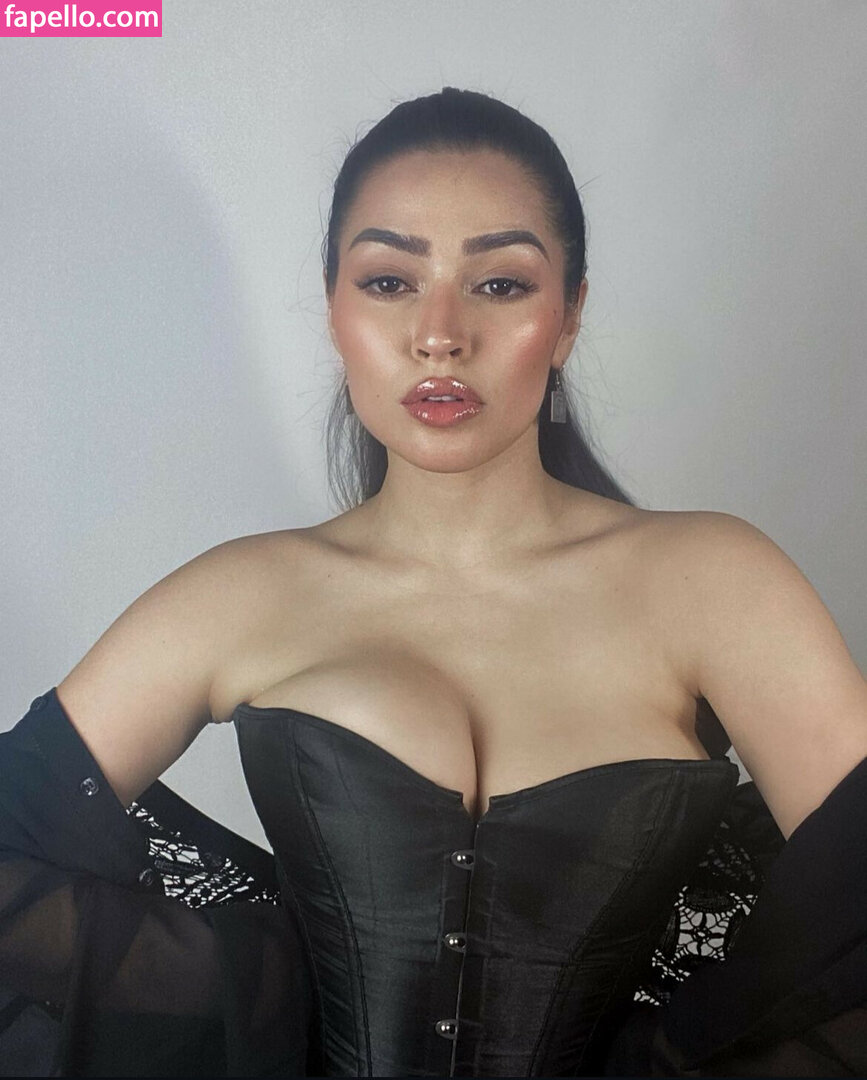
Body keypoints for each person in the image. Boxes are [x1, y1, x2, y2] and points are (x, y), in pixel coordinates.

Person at [1, 86, 866, 1078]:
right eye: (388, 280)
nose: (440, 334)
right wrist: (262, 989)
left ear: (569, 316)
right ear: (333, 309)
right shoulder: (242, 596)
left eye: (499, 283)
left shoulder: (716, 583)